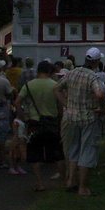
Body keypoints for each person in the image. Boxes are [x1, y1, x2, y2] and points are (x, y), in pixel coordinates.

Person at [57, 47, 105, 196]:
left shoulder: (72, 73)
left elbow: (57, 88)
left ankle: (71, 180)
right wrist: (100, 107)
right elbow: (99, 93)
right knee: (87, 150)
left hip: (71, 117)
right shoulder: (92, 77)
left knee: (73, 149)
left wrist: (66, 104)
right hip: (87, 117)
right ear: (96, 61)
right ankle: (83, 187)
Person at [15, 60, 64, 191]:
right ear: (49, 71)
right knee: (57, 152)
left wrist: (22, 116)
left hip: (34, 122)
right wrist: (60, 118)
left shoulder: (29, 85)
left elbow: (17, 102)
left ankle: (39, 182)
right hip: (51, 121)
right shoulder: (55, 85)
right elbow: (60, 105)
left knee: (34, 154)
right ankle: (63, 181)